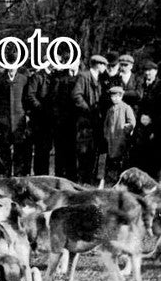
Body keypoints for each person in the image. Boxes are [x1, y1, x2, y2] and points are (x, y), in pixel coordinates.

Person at [72, 54, 108, 184]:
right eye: (104, 65)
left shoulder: (99, 78)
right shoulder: (83, 76)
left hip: (95, 121)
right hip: (85, 121)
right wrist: (88, 109)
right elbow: (76, 95)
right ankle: (82, 179)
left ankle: (89, 178)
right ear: (98, 65)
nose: (105, 67)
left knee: (93, 150)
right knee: (83, 150)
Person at [0, 64, 29, 176]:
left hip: (19, 120)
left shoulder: (23, 79)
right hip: (4, 120)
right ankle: (6, 174)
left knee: (19, 148)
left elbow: (26, 99)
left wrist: (26, 115)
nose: (12, 67)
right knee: (4, 148)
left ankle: (18, 174)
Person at [24, 63, 55, 175]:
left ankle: (45, 174)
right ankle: (39, 174)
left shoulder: (54, 76)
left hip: (51, 117)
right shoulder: (37, 76)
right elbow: (30, 95)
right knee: (40, 148)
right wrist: (41, 108)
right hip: (39, 118)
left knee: (47, 147)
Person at [52, 63, 81, 180]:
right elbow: (54, 97)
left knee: (74, 149)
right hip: (62, 120)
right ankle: (59, 176)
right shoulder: (61, 77)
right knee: (60, 149)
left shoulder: (83, 77)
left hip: (78, 119)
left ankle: (73, 176)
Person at [132, 60, 160, 176]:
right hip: (140, 127)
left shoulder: (159, 86)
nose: (148, 73)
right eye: (146, 71)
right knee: (140, 154)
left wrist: (153, 122)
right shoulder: (142, 85)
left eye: (151, 71)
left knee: (153, 156)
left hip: (154, 127)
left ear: (156, 72)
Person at [104, 84, 136, 184]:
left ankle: (121, 180)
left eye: (117, 96)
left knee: (121, 160)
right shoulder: (110, 110)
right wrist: (106, 135)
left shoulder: (126, 108)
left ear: (121, 96)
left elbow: (132, 122)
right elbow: (106, 124)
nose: (114, 98)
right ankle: (112, 179)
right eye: (112, 96)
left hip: (121, 139)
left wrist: (126, 131)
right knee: (112, 160)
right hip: (111, 139)